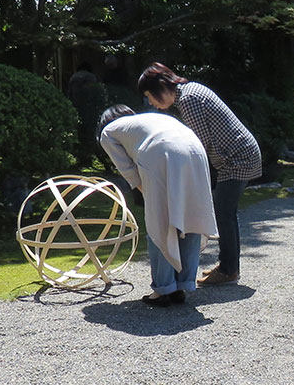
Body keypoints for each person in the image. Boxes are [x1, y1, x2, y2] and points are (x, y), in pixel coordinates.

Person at [137, 63, 261, 285]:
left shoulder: (188, 100)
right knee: (225, 212)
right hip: (240, 155)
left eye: (151, 96)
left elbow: (197, 145)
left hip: (238, 158)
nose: (153, 103)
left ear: (161, 87)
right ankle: (228, 266)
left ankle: (229, 270)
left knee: (224, 214)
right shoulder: (190, 90)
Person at [98, 105, 217, 307]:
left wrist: (147, 193)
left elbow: (127, 170)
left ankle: (163, 289)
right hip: (194, 149)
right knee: (190, 217)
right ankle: (183, 285)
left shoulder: (107, 132)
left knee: (160, 222)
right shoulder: (147, 119)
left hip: (161, 151)